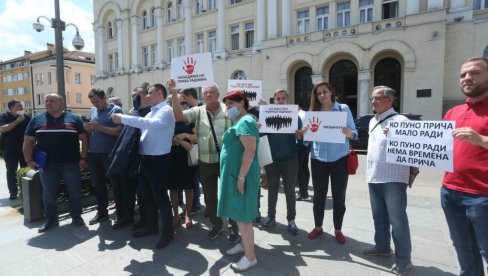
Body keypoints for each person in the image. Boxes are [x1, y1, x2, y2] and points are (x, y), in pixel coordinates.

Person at [168, 79, 240, 244]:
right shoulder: (198, 111)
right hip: (205, 162)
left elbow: (242, 122)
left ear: (218, 94)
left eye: (212, 92)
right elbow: (178, 115)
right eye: (205, 92)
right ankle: (216, 225)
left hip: (226, 161)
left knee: (230, 195)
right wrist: (173, 92)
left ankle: (235, 227)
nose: (208, 95)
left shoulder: (229, 110)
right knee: (210, 197)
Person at [362, 86, 418, 275]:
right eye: (372, 98)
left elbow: (412, 150)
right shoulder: (372, 121)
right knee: (379, 216)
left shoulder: (401, 121)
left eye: (377, 98)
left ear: (390, 101)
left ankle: (404, 259)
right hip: (374, 176)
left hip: (394, 178)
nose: (373, 101)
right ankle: (382, 247)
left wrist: (412, 174)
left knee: (398, 220)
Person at [112, 83, 175, 249]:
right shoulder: (153, 110)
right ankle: (151, 226)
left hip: (158, 161)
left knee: (161, 198)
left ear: (160, 93)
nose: (147, 96)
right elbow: (141, 126)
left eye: (150, 93)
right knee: (146, 196)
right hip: (146, 160)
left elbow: (151, 124)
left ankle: (168, 233)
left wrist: (123, 118)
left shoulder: (165, 110)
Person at [441, 57, 488, 276]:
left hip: (483, 196)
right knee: (464, 250)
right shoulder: (453, 112)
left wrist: (482, 140)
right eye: (463, 75)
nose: (467, 78)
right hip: (450, 192)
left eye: (475, 73)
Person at [296, 81, 357, 244]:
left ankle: (338, 229)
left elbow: (355, 134)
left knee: (339, 197)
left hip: (339, 160)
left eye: (324, 92)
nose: (321, 95)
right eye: (318, 93)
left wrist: (349, 133)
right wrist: (302, 135)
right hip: (318, 160)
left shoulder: (343, 109)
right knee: (318, 196)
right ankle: (318, 227)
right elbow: (307, 143)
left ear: (331, 92)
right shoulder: (313, 113)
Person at [23, 94, 88, 233]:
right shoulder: (36, 120)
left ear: (61, 103)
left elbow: (84, 138)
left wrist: (83, 158)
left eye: (52, 101)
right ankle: (51, 220)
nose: (48, 103)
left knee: (75, 191)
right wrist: (29, 160)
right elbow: (28, 141)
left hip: (71, 163)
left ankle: (77, 216)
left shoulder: (74, 118)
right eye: (46, 101)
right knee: (48, 193)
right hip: (47, 164)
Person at [218, 91, 260, 272]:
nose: (228, 107)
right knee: (238, 212)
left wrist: (241, 178)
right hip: (236, 174)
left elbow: (250, 151)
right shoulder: (241, 121)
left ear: (242, 102)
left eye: (231, 103)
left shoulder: (246, 121)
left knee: (243, 217)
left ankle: (250, 257)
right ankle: (244, 246)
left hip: (241, 175)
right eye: (226, 104)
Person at [107, 87, 151, 230]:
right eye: (133, 96)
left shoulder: (151, 113)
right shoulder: (133, 112)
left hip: (142, 159)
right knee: (125, 190)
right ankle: (126, 217)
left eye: (137, 96)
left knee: (143, 193)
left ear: (146, 97)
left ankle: (146, 221)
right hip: (127, 158)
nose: (134, 99)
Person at [258, 89, 300, 235]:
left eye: (283, 98)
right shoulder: (267, 114)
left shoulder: (294, 115)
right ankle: (271, 217)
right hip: (272, 161)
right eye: (278, 99)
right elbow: (261, 135)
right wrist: (260, 123)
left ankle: (291, 220)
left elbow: (301, 137)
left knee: (290, 192)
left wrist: (300, 134)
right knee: (272, 191)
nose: (280, 101)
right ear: (274, 101)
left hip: (290, 160)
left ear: (287, 100)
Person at [85, 89, 123, 226]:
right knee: (98, 185)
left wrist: (100, 128)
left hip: (110, 154)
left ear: (105, 98)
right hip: (94, 154)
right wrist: (88, 128)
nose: (95, 104)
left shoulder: (116, 110)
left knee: (116, 184)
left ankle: (122, 213)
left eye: (97, 101)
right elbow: (91, 129)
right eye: (93, 102)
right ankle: (102, 212)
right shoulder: (93, 110)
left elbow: (119, 131)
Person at [166, 94, 196, 229]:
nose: (181, 105)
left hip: (187, 156)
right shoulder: (167, 119)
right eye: (177, 103)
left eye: (183, 103)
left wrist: (184, 136)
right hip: (171, 157)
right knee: (173, 188)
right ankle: (176, 215)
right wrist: (170, 141)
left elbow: (197, 137)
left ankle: (188, 214)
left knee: (189, 187)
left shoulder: (189, 119)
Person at [0, 100, 31, 199]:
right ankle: (13, 192)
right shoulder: (4, 116)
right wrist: (17, 121)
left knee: (25, 169)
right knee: (11, 170)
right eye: (19, 106)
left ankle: (26, 191)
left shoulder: (26, 117)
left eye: (21, 105)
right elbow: (3, 128)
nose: (22, 107)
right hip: (9, 149)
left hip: (24, 148)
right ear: (11, 108)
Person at [296, 103, 311, 201]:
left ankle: (303, 193)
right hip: (307, 144)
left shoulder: (298, 115)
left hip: (300, 144)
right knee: (305, 167)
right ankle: (304, 190)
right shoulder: (307, 114)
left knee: (300, 169)